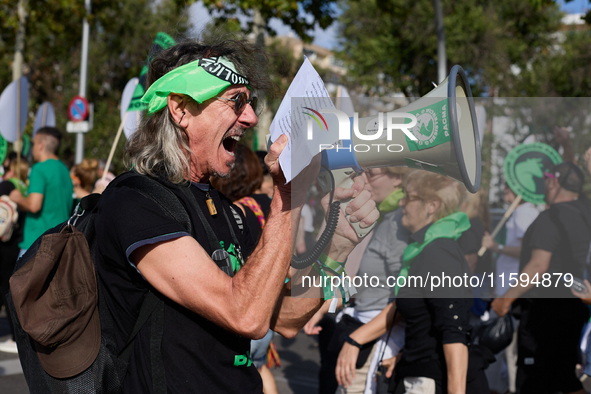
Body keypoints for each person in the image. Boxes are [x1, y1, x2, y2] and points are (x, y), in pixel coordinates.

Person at [93, 38, 379, 393]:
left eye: (251, 102)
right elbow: (244, 314)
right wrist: (287, 197)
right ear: (180, 109)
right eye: (236, 101)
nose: (251, 117)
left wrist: (336, 248)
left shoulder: (228, 211)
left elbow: (285, 318)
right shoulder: (134, 201)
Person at [335, 171, 476, 394]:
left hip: (427, 379)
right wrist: (402, 357)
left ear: (432, 205)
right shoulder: (425, 249)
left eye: (409, 197)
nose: (402, 202)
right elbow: (427, 323)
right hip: (417, 371)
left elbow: (454, 331)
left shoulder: (439, 252)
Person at [306, 167, 411, 394]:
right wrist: (323, 307)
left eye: (372, 173)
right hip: (366, 335)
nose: (363, 179)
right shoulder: (387, 216)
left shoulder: (400, 221)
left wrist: (356, 341)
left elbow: (406, 299)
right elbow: (366, 285)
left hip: (375, 343)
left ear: (398, 178)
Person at [492, 161, 590, 394]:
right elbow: (573, 176)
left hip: (543, 315)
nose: (543, 185)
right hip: (572, 308)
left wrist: (505, 299)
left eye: (545, 179)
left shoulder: (550, 218)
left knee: (534, 380)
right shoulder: (584, 211)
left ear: (553, 182)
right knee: (565, 377)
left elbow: (537, 267)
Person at [211, 143, 278, 394]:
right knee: (258, 370)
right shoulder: (269, 204)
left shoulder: (235, 211)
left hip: (245, 313)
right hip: (268, 311)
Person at [480, 183, 539, 394]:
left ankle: (509, 388)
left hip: (512, 291)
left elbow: (527, 250)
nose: (505, 188)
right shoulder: (520, 212)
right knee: (504, 347)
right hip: (506, 288)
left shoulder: (524, 213)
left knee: (507, 347)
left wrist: (496, 247)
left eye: (509, 185)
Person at [9, 127, 73, 257]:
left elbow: (34, 205)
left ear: (40, 145)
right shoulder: (64, 169)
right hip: (59, 242)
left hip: (36, 244)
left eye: (34, 143)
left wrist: (17, 197)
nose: (32, 148)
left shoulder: (39, 168)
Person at [0, 157, 29, 353]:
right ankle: (14, 334)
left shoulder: (7, 185)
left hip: (3, 243)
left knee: (4, 290)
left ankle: (12, 335)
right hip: (15, 243)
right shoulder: (25, 189)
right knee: (8, 289)